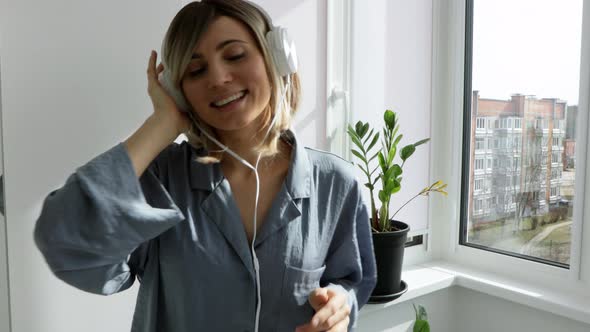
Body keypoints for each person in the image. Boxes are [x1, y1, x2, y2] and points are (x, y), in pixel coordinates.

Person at [33, 0, 376, 331]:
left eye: (235, 55)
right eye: (196, 70)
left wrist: (341, 303)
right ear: (179, 92)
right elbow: (63, 240)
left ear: (277, 57)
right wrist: (161, 125)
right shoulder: (160, 181)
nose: (218, 78)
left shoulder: (336, 184)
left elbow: (351, 279)